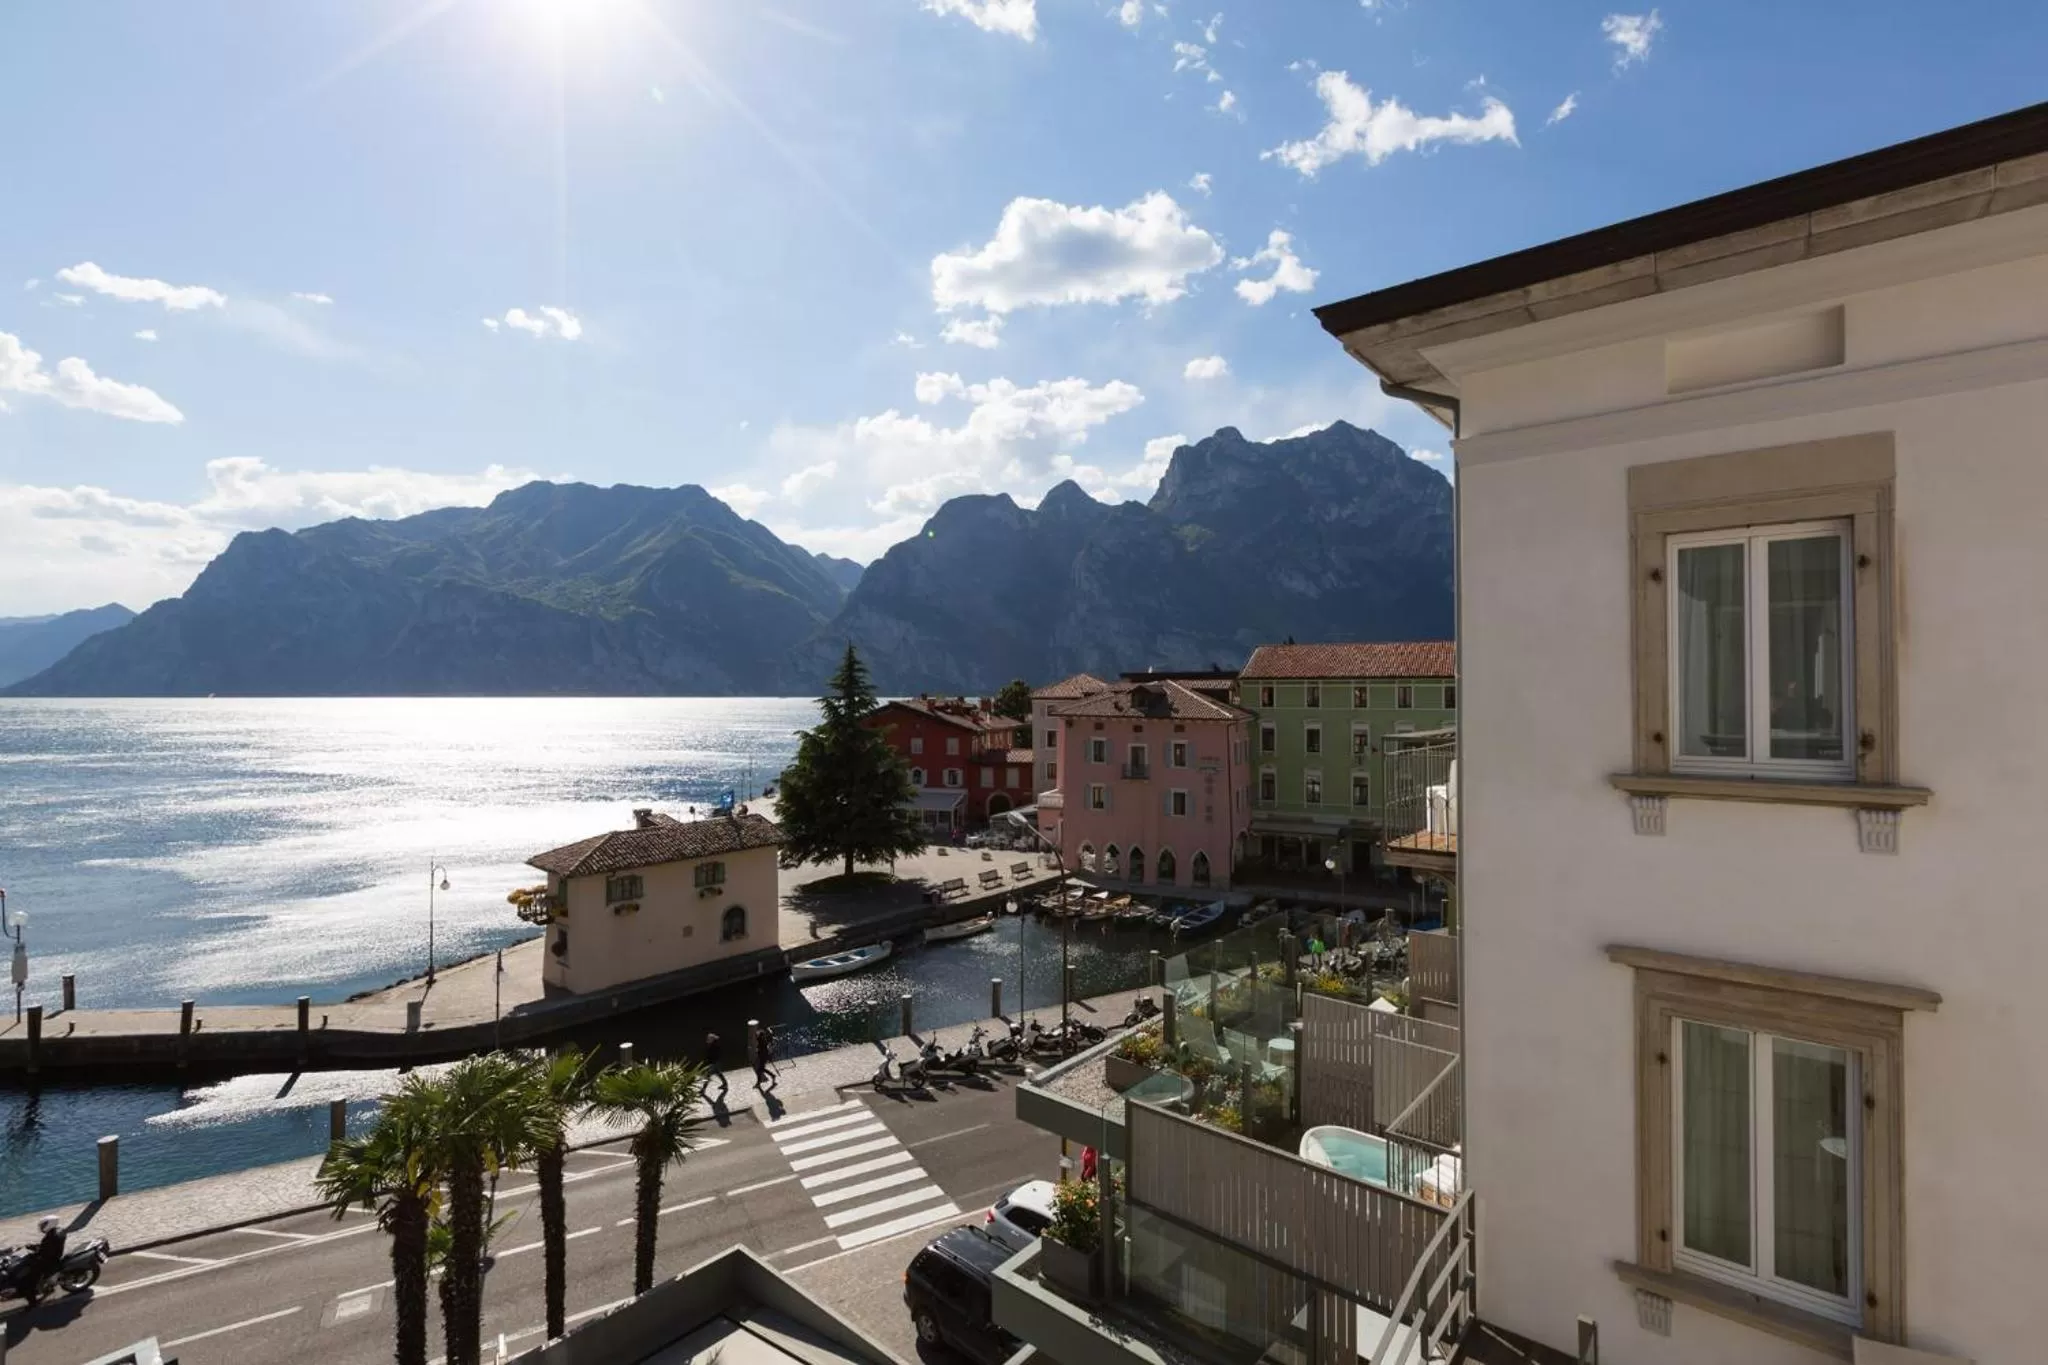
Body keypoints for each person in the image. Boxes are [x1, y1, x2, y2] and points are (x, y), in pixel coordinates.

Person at [26, 1216, 64, 1287]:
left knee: (32, 1270)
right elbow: (47, 1246)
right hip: (55, 1254)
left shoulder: (51, 1237)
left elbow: (44, 1251)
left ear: (50, 1224)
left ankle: (37, 1287)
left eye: (43, 1225)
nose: (41, 1227)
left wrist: (34, 1250)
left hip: (51, 1259)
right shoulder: (59, 1231)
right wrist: (35, 1246)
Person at [703, 1032, 728, 1102]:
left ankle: (703, 1090)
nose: (707, 1039)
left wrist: (710, 1063)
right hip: (715, 1063)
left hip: (713, 1063)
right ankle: (725, 1084)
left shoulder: (714, 1046)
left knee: (707, 1076)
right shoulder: (712, 1045)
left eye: (709, 1038)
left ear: (712, 1039)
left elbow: (712, 1055)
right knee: (718, 1073)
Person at [753, 1023, 777, 1089]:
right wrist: (769, 1030)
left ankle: (759, 1083)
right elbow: (771, 1035)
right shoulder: (764, 1040)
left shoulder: (760, 1040)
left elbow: (756, 1036)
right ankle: (771, 1076)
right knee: (761, 1069)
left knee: (759, 1070)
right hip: (764, 1056)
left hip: (762, 1057)